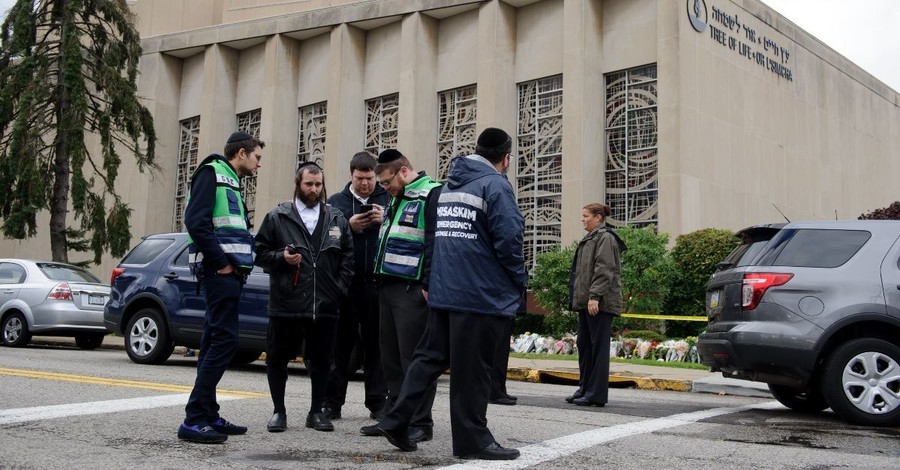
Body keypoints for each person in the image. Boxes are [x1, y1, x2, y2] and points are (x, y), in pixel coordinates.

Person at [377, 127, 527, 460]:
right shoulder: (496, 185)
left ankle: (397, 418)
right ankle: (473, 439)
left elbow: (440, 240)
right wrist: (519, 282)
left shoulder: (447, 187)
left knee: (428, 358)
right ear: (505, 159)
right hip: (479, 295)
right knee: (472, 370)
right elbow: (509, 241)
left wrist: (434, 283)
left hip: (446, 291)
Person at [254, 162, 354, 433]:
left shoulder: (336, 218)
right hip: (286, 303)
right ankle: (279, 411)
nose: (314, 189)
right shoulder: (277, 216)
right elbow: (259, 252)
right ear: (298, 184)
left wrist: (338, 289)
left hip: (324, 305)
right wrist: (281, 258)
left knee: (323, 361)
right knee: (276, 358)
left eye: (318, 184)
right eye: (309, 184)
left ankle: (316, 412)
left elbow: (348, 257)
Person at [178, 131, 263, 444]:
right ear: (241, 153)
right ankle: (193, 419)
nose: (258, 164)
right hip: (219, 272)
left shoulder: (231, 180)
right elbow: (195, 222)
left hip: (230, 274)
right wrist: (221, 262)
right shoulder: (212, 172)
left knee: (214, 339)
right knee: (226, 342)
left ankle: (208, 413)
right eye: (256, 157)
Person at [359, 149, 442, 444]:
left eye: (385, 182)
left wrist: (428, 283)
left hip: (412, 290)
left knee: (413, 360)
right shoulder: (396, 198)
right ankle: (393, 416)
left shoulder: (432, 194)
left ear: (403, 171)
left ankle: (421, 422)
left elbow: (434, 241)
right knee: (390, 358)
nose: (383, 188)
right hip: (388, 286)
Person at [322, 152, 390, 420]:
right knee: (340, 346)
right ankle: (331, 402)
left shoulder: (387, 200)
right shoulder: (336, 203)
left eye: (370, 178)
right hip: (346, 286)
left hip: (377, 284)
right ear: (351, 175)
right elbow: (324, 240)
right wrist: (348, 226)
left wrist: (384, 220)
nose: (365, 184)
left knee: (377, 346)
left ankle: (377, 402)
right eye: (360, 178)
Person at [565, 202, 626, 407]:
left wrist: (595, 296)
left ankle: (596, 394)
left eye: (586, 216)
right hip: (586, 302)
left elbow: (605, 269)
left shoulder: (605, 238)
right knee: (584, 344)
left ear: (598, 217)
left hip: (599, 303)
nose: (582, 219)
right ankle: (584, 388)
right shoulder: (590, 238)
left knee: (598, 348)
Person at [488, 317, 517, 406]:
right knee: (498, 351)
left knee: (502, 350)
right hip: (499, 309)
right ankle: (495, 392)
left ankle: (500, 389)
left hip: (505, 308)